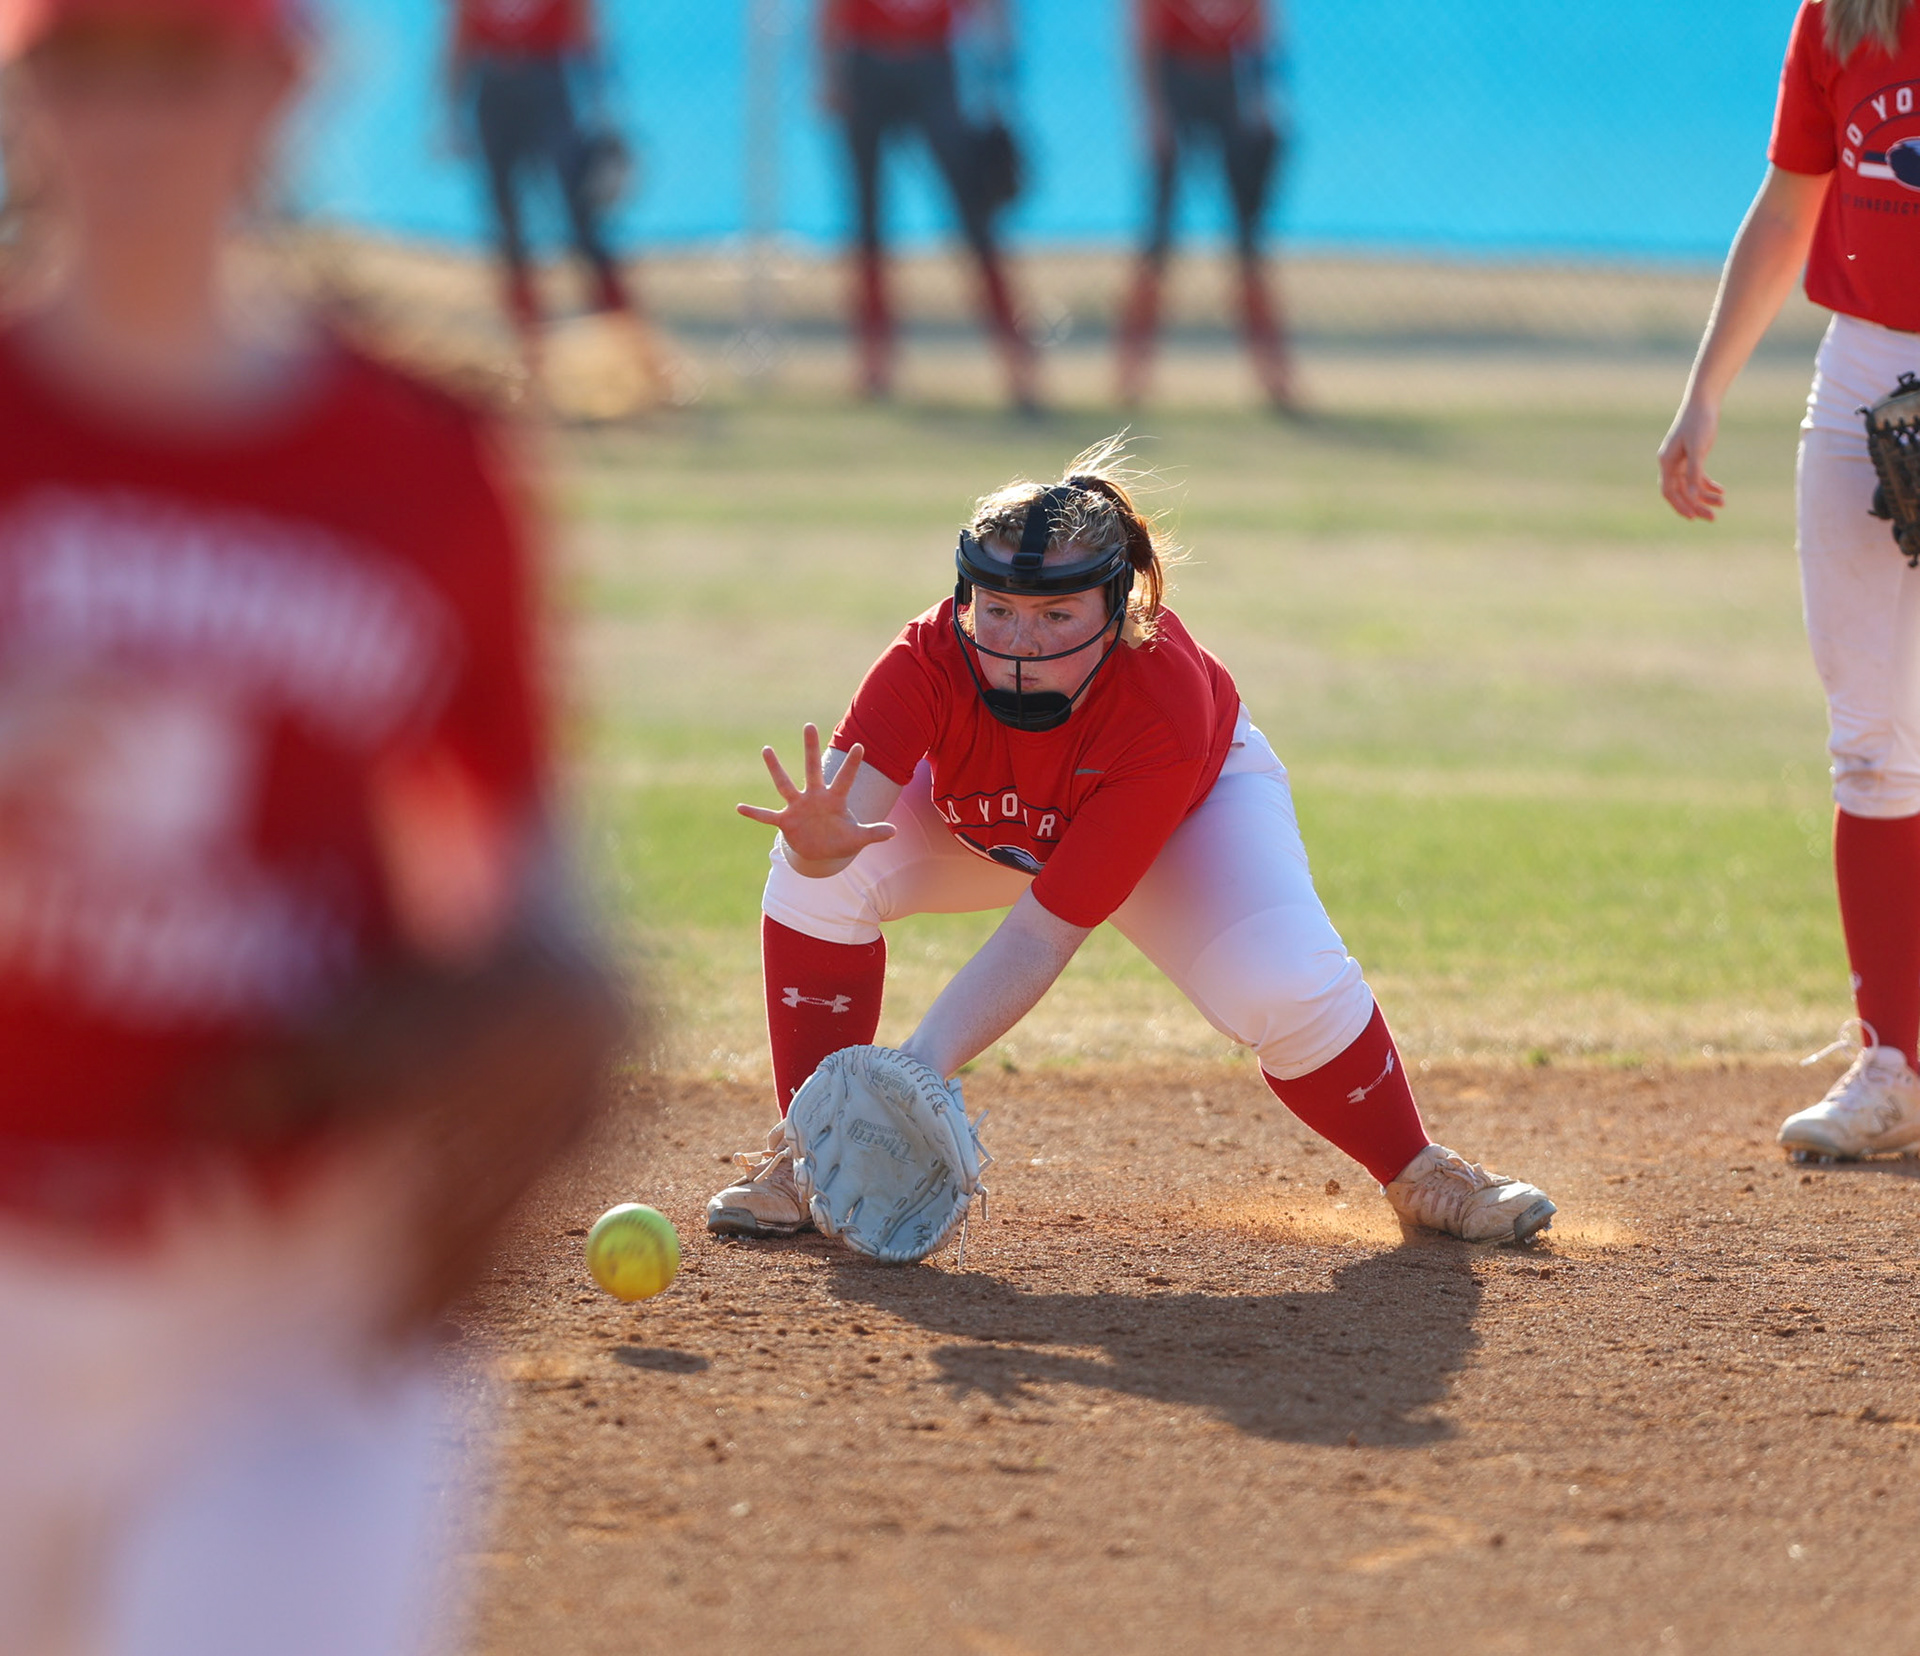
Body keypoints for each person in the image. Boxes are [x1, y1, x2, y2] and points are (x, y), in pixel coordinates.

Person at [0, 0, 622, 1649]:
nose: (131, 124)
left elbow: (532, 885)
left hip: (285, 1292)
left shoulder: (425, 468)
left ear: (280, 91)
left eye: (181, 67)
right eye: (85, 66)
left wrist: (561, 1006)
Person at [705, 439, 1555, 1246]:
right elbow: (846, 827)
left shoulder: (1161, 702)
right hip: (991, 822)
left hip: (1185, 820)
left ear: (1117, 611)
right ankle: (806, 1153)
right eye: (995, 609)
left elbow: (1043, 932)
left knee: (1285, 980)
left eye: (1055, 614)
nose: (1017, 645)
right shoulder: (929, 657)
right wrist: (819, 853)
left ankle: (1419, 1170)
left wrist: (911, 1074)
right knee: (812, 871)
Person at [1657, 0, 1920, 1161]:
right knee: (1872, 738)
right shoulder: (1843, 16)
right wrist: (1706, 391)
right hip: (1862, 367)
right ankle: (1895, 1064)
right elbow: (1788, 201)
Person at [822, 0, 1039, 410]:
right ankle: (874, 364)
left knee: (974, 220)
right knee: (868, 223)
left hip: (932, 63)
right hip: (866, 61)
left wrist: (997, 80)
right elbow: (832, 12)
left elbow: (992, 14)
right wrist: (830, 72)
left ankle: (1018, 361)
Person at [445, 0, 665, 395]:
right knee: (508, 230)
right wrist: (449, 112)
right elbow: (458, 36)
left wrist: (604, 111)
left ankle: (640, 359)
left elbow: (588, 32)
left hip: (549, 81)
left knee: (584, 228)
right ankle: (532, 363)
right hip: (493, 85)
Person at [1115, 0, 1293, 410]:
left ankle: (1275, 376)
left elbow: (1263, 29)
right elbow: (1141, 34)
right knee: (1157, 242)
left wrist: (1265, 96)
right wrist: (1153, 113)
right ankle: (1131, 375)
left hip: (1228, 80)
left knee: (1248, 245)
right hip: (1174, 77)